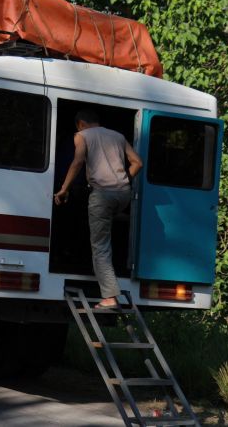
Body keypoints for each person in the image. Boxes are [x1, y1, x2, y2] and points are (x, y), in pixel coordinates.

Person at [54, 110, 143, 309]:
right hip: (123, 194)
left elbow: (77, 162)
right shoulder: (118, 136)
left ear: (80, 124)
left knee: (100, 247)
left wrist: (63, 189)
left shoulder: (82, 136)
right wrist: (123, 180)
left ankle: (110, 296)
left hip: (102, 194)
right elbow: (138, 163)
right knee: (106, 225)